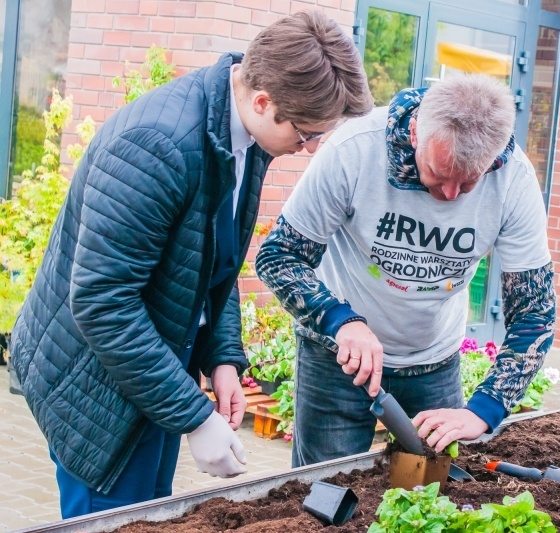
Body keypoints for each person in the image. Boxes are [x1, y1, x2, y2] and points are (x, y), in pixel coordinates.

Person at [10, 11, 372, 518]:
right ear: (264, 101)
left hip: (151, 368)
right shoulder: (157, 146)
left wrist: (222, 359)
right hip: (95, 387)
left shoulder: (242, 133)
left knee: (149, 515)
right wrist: (196, 419)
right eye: (309, 133)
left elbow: (211, 264)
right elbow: (101, 303)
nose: (310, 149)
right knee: (116, 520)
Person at [256, 74, 556, 467]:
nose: (449, 195)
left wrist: (483, 410)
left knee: (434, 499)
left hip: (434, 363)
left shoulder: (513, 180)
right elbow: (279, 255)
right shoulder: (355, 149)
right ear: (414, 132)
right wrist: (340, 321)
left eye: (467, 183)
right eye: (438, 173)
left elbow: (534, 313)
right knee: (323, 497)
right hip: (338, 361)